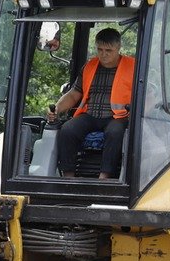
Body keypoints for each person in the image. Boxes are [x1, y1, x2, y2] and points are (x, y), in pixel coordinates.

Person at [48, 28, 133, 179]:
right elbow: (74, 94)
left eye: (108, 50)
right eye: (100, 49)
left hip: (117, 116)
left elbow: (149, 95)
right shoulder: (89, 66)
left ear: (118, 47)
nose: (103, 54)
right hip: (90, 115)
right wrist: (57, 109)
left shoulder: (133, 67)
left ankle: (104, 178)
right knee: (67, 129)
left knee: (115, 132)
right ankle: (68, 177)